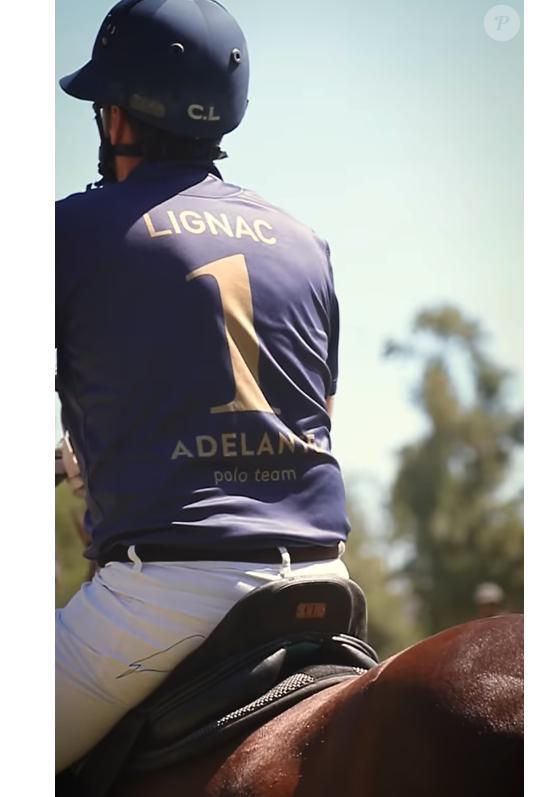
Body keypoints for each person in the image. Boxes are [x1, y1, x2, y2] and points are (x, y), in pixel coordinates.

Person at [55, 0, 351, 776]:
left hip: (167, 600)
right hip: (325, 581)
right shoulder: (306, 241)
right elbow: (312, 413)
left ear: (114, 116)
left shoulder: (74, 229)